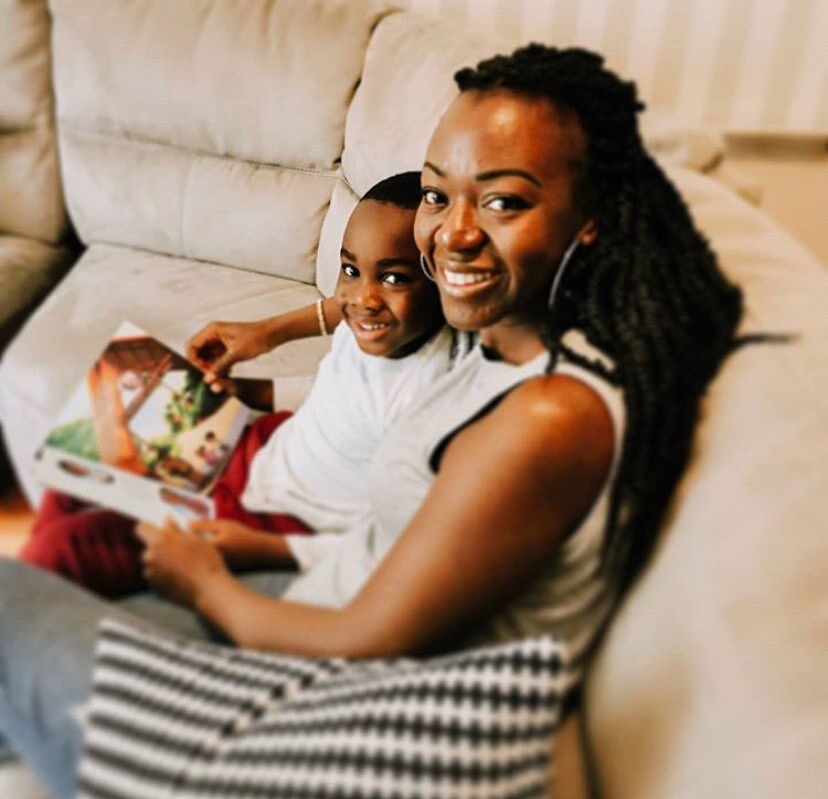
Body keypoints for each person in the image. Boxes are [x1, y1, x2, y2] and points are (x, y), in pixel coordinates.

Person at [0, 45, 744, 799]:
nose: (452, 233)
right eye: (436, 194)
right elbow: (376, 306)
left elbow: (372, 638)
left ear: (589, 222)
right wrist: (277, 339)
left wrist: (208, 584)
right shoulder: (497, 333)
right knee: (102, 438)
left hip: (328, 678)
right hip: (304, 580)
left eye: (504, 201)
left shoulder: (549, 417)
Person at [18, 172, 450, 597]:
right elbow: (344, 384)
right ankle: (42, 602)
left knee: (66, 547)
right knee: (79, 464)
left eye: (394, 277)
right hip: (261, 448)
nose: (363, 298)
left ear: (442, 282)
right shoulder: (376, 325)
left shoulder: (429, 401)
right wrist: (254, 379)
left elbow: (398, 547)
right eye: (350, 269)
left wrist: (269, 550)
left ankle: (33, 609)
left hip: (274, 518)